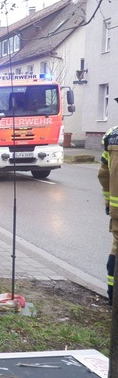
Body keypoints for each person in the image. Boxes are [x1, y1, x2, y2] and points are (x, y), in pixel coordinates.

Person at [99, 125, 118, 305]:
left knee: (116, 248)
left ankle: (113, 295)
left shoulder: (111, 135)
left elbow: (103, 173)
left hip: (117, 209)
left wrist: (108, 201)